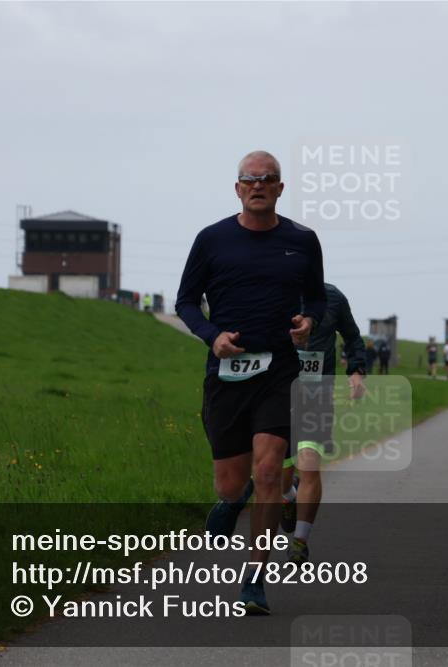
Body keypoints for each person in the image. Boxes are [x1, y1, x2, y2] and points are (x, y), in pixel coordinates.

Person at [175, 150, 326, 615]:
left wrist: (308, 321)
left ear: (280, 188)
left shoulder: (303, 240)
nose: (258, 185)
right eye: (249, 179)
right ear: (237, 189)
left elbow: (316, 298)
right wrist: (212, 336)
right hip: (227, 373)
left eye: (267, 178)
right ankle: (231, 499)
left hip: (279, 369)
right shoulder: (212, 239)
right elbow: (185, 302)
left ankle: (254, 580)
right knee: (230, 482)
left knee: (269, 471)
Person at [282, 282, 366, 565]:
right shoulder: (275, 290)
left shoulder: (333, 297)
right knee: (278, 471)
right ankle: (288, 495)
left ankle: (300, 542)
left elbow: (353, 338)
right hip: (277, 392)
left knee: (308, 462)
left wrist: (356, 372)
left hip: (317, 393)